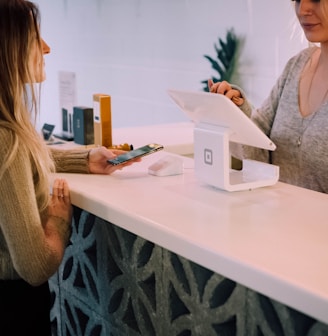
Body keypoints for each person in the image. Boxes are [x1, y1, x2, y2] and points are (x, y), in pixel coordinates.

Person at [0, 0, 138, 334]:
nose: (47, 48)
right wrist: (59, 221)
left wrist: (85, 159)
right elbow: (34, 265)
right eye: (36, 39)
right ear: (10, 49)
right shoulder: (7, 139)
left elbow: (25, 159)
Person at [208, 0, 328, 194]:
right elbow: (257, 153)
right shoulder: (297, 66)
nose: (303, 10)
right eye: (297, 0)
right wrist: (234, 112)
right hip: (275, 219)